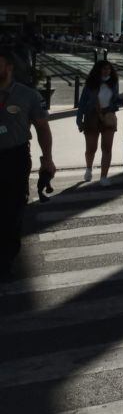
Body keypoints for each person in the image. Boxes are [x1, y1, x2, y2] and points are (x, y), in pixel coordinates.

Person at [0, 46, 55, 278]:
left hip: (15, 158)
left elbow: (42, 128)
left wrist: (47, 160)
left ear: (9, 67)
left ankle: (6, 260)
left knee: (12, 211)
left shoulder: (27, 95)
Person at [75, 60, 122, 187]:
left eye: (109, 69)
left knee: (107, 148)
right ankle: (89, 169)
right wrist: (79, 120)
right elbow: (82, 103)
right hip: (92, 116)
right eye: (104, 69)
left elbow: (116, 99)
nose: (107, 71)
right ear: (98, 70)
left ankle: (104, 176)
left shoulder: (113, 83)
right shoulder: (90, 84)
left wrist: (122, 102)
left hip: (108, 116)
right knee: (91, 148)